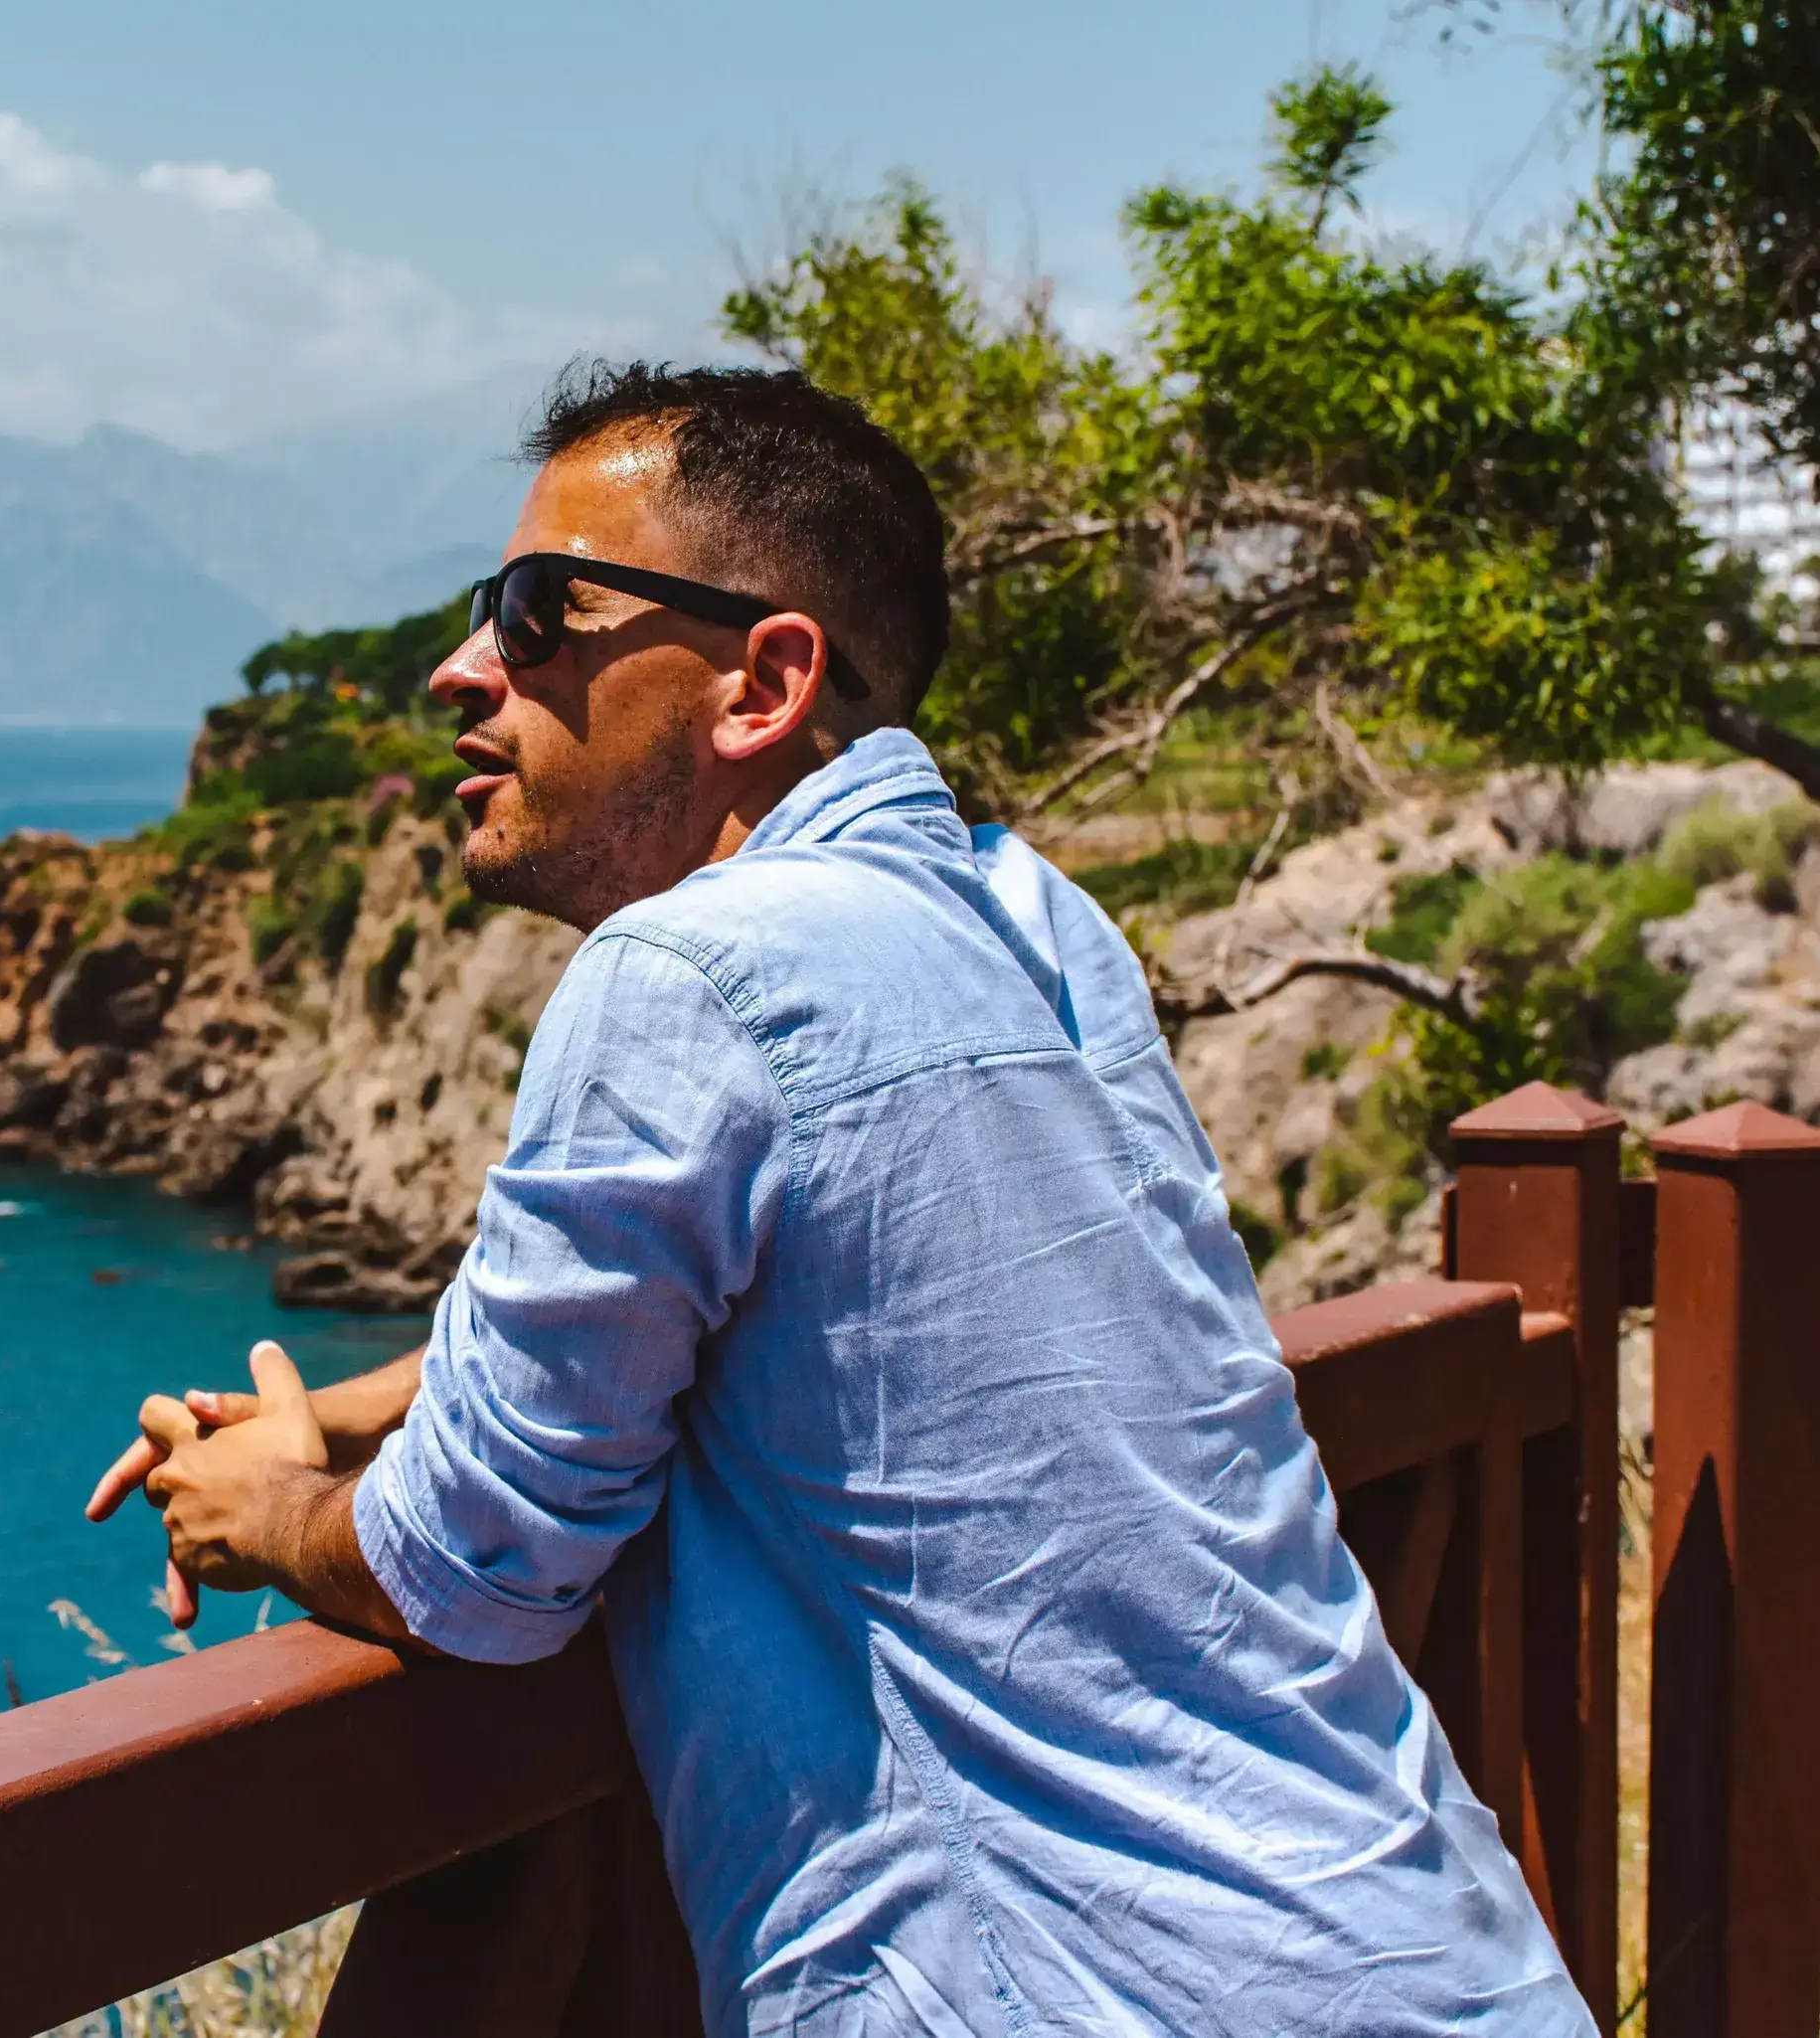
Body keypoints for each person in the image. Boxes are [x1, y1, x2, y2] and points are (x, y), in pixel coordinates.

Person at [85, 363, 1588, 2035]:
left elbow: (481, 1567)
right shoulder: (1038, 922)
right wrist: (364, 1403)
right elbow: (818, 1309)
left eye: (533, 613)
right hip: (1432, 1962)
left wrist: (269, 1508)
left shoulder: (684, 971)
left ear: (762, 681)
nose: (460, 667)